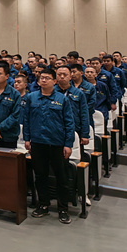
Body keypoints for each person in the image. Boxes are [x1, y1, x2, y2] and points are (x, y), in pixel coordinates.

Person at [23, 68, 75, 224]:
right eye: (41, 78)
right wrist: (27, 138)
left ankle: (63, 209)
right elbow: (26, 119)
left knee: (62, 178)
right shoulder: (31, 97)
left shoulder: (62, 99)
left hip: (57, 143)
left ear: (55, 81)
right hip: (38, 143)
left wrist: (68, 144)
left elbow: (69, 123)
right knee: (40, 176)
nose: (43, 80)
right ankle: (43, 205)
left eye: (47, 78)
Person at [55, 66, 89, 153]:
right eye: (59, 74)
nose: (62, 76)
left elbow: (84, 114)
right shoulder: (51, 92)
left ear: (70, 76)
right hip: (55, 131)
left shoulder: (79, 93)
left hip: (75, 129)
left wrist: (85, 134)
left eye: (65, 74)